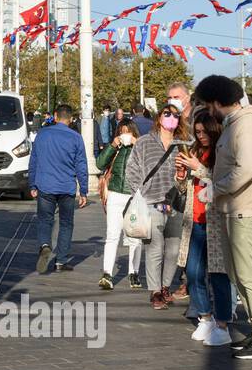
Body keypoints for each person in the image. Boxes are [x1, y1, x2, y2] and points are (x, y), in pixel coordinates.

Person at [191, 75, 252, 360]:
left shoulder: (248, 126)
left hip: (250, 209)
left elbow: (247, 169)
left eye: (207, 104)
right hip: (237, 207)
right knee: (237, 273)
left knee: (249, 275)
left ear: (217, 102)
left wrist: (216, 188)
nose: (207, 110)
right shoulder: (236, 125)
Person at [173, 110, 235, 347]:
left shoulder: (223, 152)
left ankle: (222, 324)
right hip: (195, 218)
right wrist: (180, 174)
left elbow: (224, 181)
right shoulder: (196, 151)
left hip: (217, 220)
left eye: (204, 131)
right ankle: (205, 316)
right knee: (193, 271)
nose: (200, 136)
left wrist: (198, 167)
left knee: (218, 274)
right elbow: (184, 188)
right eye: (197, 132)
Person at [124, 99, 189, 309]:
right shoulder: (144, 142)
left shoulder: (183, 145)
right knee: (155, 247)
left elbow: (189, 175)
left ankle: (165, 287)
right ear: (159, 117)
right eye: (167, 114)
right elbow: (132, 170)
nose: (171, 118)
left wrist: (182, 179)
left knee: (173, 250)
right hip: (151, 202)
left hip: (177, 202)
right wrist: (139, 195)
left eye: (175, 115)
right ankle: (155, 292)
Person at [28, 104, 89, 274]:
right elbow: (81, 166)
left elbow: (34, 161)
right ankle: (60, 261)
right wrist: (83, 191)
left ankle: (45, 244)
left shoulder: (42, 135)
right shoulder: (76, 138)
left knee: (44, 220)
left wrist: (32, 184)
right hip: (66, 188)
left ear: (55, 116)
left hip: (45, 186)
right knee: (66, 223)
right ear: (70, 119)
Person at [96, 118, 143, 290]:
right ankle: (107, 273)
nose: (124, 135)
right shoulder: (116, 149)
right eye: (121, 132)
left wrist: (136, 143)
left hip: (134, 196)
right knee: (112, 235)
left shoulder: (139, 146)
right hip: (115, 194)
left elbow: (148, 164)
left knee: (135, 238)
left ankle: (134, 273)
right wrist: (113, 145)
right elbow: (100, 163)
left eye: (127, 132)